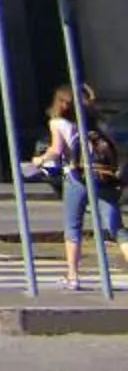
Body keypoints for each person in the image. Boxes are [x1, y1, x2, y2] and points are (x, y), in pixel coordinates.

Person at [28, 86, 126, 291]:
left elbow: (56, 150)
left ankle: (73, 275)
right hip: (103, 177)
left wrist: (39, 160)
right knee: (117, 228)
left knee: (73, 226)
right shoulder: (98, 124)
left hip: (76, 177)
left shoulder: (58, 123)